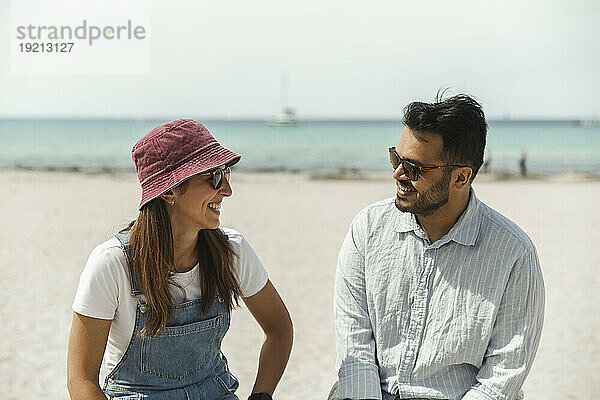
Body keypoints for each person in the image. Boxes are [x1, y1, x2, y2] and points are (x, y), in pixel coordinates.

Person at [331, 95, 544, 400]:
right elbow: (354, 347)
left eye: (413, 168)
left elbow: (502, 377)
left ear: (460, 177)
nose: (398, 175)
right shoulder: (367, 229)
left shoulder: (514, 255)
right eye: (396, 159)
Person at [67, 119, 293, 400]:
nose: (226, 190)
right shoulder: (112, 264)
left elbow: (279, 328)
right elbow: (81, 380)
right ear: (169, 191)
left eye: (226, 173)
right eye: (213, 177)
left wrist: (261, 397)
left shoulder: (232, 251)